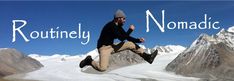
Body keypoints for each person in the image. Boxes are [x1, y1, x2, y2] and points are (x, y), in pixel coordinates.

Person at [79, 9, 158, 72]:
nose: (124, 20)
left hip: (112, 46)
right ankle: (89, 61)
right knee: (102, 68)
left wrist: (138, 40)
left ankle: (148, 57)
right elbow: (121, 38)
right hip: (103, 48)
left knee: (130, 44)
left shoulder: (119, 27)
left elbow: (126, 37)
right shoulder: (111, 26)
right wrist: (130, 30)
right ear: (118, 18)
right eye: (123, 19)